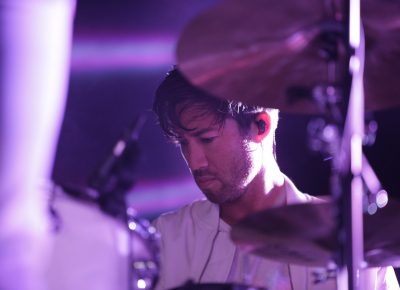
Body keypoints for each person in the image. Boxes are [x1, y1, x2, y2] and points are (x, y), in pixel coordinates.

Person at [152, 68, 399, 290]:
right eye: (183, 143)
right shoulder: (165, 239)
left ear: (261, 126)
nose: (195, 162)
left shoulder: (357, 239)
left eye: (206, 139)